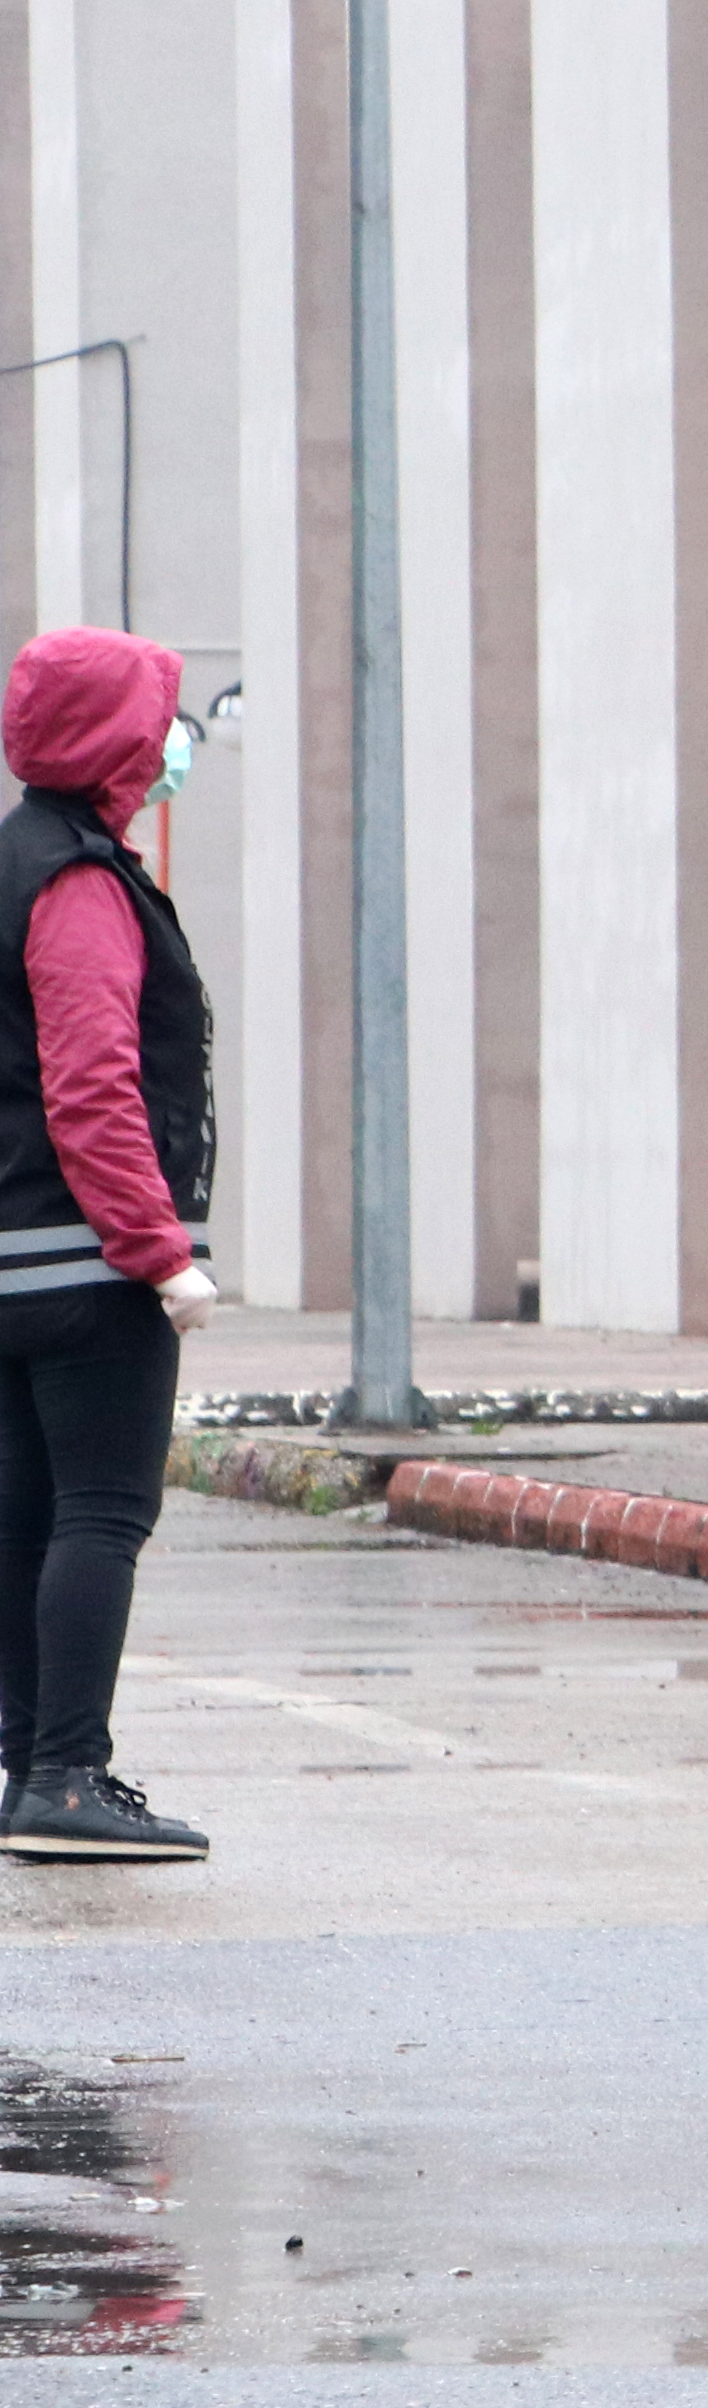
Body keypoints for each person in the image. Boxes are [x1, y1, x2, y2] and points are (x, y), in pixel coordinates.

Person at [0, 630, 221, 1866]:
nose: (173, 741)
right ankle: (71, 1775)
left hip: (13, 1261)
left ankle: (33, 1764)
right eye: (162, 719)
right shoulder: (77, 880)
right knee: (100, 1511)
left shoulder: (11, 859)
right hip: (89, 1265)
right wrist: (160, 1255)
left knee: (26, 1517)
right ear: (117, 736)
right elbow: (92, 1086)